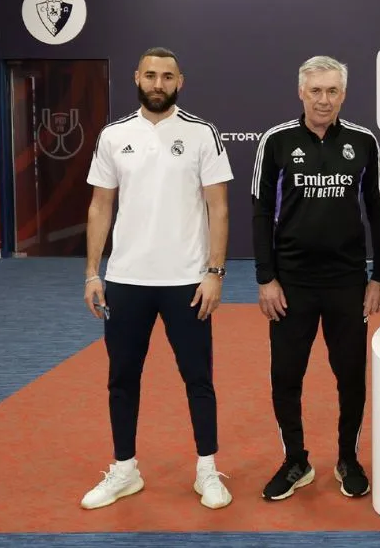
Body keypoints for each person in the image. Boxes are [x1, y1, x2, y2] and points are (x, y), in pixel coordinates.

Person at [80, 47, 234, 510]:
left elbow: (219, 207)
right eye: (150, 75)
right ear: (137, 78)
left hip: (188, 281)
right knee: (122, 378)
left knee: (198, 378)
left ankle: (207, 469)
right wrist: (92, 273)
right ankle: (125, 470)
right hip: (126, 280)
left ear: (180, 81)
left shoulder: (202, 133)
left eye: (167, 76)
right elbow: (100, 206)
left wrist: (214, 272)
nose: (158, 83)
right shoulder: (113, 135)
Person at [251, 55, 380, 501]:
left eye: (332, 91)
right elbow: (259, 214)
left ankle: (348, 458)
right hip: (291, 285)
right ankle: (296, 459)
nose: (324, 99)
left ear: (344, 95)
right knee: (286, 377)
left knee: (350, 377)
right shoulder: (275, 142)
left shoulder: (364, 142)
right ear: (301, 92)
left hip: (348, 282)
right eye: (316, 91)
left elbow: (377, 212)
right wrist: (265, 278)